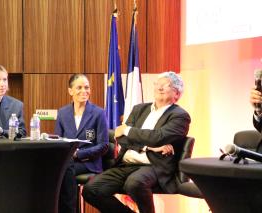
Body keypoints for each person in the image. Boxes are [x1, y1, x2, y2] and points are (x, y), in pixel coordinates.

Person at [82, 71, 191, 213]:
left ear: (176, 94)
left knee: (134, 183)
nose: (160, 87)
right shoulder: (139, 109)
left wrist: (128, 130)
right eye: (158, 84)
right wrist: (149, 147)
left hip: (154, 166)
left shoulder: (180, 116)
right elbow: (122, 138)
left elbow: (158, 137)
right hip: (126, 164)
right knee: (91, 190)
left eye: (166, 85)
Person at [54, 74, 109, 213]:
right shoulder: (62, 113)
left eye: (87, 87)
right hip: (68, 161)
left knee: (64, 169)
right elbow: (58, 141)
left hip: (89, 162)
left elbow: (104, 145)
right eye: (79, 87)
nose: (84, 91)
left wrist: (78, 154)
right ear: (70, 91)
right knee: (61, 168)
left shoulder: (98, 113)